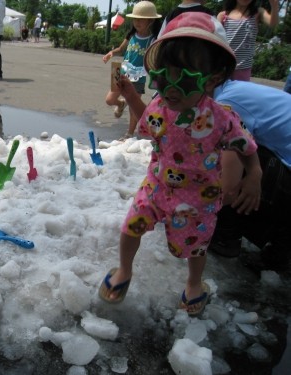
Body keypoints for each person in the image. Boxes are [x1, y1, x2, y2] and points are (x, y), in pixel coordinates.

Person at [98, 13, 262, 316]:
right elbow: (147, 119)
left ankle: (194, 284)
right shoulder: (162, 104)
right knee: (130, 227)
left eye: (183, 79)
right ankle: (124, 269)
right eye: (162, 77)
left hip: (199, 199)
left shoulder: (222, 118)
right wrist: (132, 95)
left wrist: (255, 173)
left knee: (196, 248)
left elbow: (247, 147)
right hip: (156, 185)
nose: (170, 88)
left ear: (212, 79)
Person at [206, 80, 291, 272]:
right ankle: (280, 249)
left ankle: (225, 237)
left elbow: (226, 189)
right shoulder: (232, 89)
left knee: (223, 159)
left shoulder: (225, 104)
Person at [102, 1, 161, 139]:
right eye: (135, 19)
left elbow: (154, 59)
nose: (137, 22)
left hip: (138, 76)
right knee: (109, 99)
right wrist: (111, 53)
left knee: (133, 107)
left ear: (150, 20)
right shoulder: (131, 35)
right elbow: (121, 49)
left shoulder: (153, 39)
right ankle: (120, 103)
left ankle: (129, 134)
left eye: (141, 19)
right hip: (121, 71)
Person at [217, 0, 279, 81]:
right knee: (219, 91)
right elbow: (216, 39)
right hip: (224, 66)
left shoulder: (257, 12)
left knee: (240, 92)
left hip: (243, 67)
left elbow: (273, 24)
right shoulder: (223, 15)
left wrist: (274, 6)